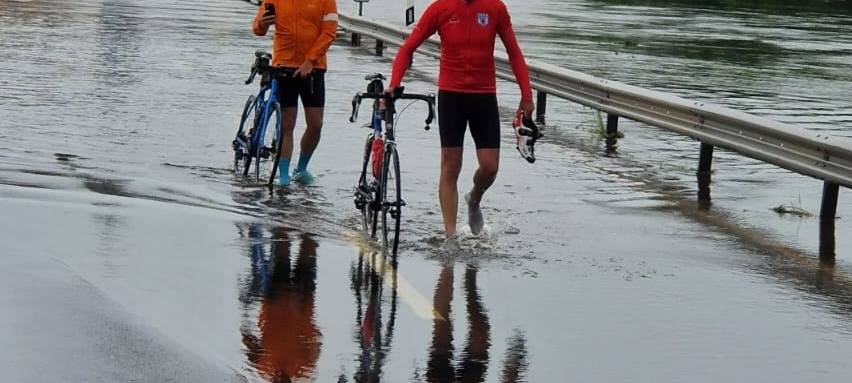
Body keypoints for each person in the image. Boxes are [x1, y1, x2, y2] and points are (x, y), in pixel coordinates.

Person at [387, 0, 534, 242]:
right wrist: (394, 83)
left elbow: (514, 53)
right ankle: (451, 236)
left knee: (490, 167)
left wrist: (526, 95)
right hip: (451, 96)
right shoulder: (440, 8)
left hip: (484, 95)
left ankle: (474, 199)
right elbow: (408, 47)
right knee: (451, 166)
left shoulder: (495, 8)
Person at [252, 0, 338, 186]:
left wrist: (310, 60)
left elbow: (329, 32)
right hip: (284, 66)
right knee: (287, 124)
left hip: (313, 68)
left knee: (316, 124)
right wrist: (263, 23)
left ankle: (301, 168)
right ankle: (283, 175)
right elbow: (258, 29)